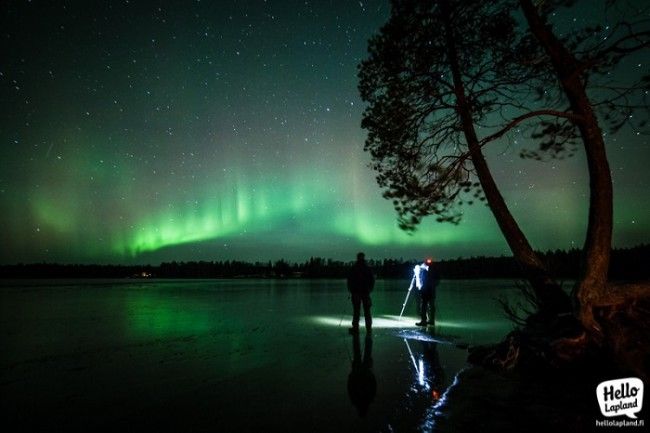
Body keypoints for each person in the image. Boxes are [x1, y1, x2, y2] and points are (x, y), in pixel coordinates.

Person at [347, 332, 376, 417]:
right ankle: (363, 337)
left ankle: (367, 337)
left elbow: (374, 386)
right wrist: (351, 376)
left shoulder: (368, 399)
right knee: (358, 352)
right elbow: (350, 387)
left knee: (364, 352)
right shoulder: (355, 400)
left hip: (363, 373)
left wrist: (371, 375)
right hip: (360, 373)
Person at [347, 252, 375, 334]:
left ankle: (355, 328)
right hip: (365, 292)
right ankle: (368, 329)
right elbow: (372, 280)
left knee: (356, 311)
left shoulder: (354, 268)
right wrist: (370, 289)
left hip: (356, 293)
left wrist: (351, 289)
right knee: (367, 311)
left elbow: (349, 280)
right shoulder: (367, 268)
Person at [416, 258, 439, 327]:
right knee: (429, 305)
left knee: (425, 305)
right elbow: (437, 281)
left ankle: (425, 321)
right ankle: (430, 320)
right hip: (430, 290)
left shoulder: (428, 271)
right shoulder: (432, 271)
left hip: (427, 291)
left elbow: (435, 281)